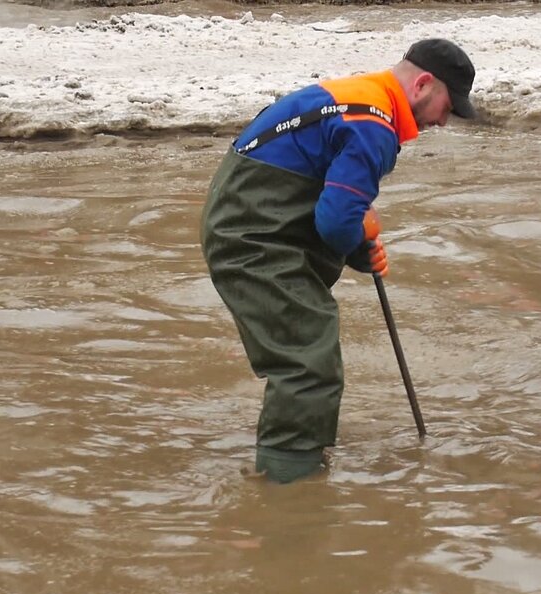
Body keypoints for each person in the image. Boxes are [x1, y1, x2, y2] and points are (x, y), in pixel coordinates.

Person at [200, 38, 477, 484]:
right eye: (448, 105)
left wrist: (358, 243)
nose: (444, 120)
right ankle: (289, 485)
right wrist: (357, 241)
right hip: (254, 239)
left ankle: (300, 454)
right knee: (308, 357)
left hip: (254, 223)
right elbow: (335, 219)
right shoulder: (375, 124)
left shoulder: (360, 94)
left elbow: (335, 205)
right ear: (424, 84)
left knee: (309, 341)